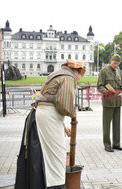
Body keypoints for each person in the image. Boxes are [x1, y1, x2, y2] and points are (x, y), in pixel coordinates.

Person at [15, 59, 86, 189]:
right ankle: (55, 186)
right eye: (81, 75)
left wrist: (63, 125)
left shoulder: (56, 74)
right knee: (55, 157)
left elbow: (51, 101)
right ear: (78, 71)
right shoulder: (68, 78)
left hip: (42, 116)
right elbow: (64, 105)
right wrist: (73, 112)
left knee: (43, 156)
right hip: (48, 119)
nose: (80, 78)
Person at [97, 54, 122, 152]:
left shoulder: (118, 71)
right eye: (114, 63)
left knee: (117, 124)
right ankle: (107, 144)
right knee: (107, 124)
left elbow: (121, 83)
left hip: (118, 100)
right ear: (111, 61)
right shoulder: (104, 71)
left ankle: (116, 144)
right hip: (108, 100)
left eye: (117, 64)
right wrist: (106, 91)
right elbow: (99, 85)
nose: (116, 65)